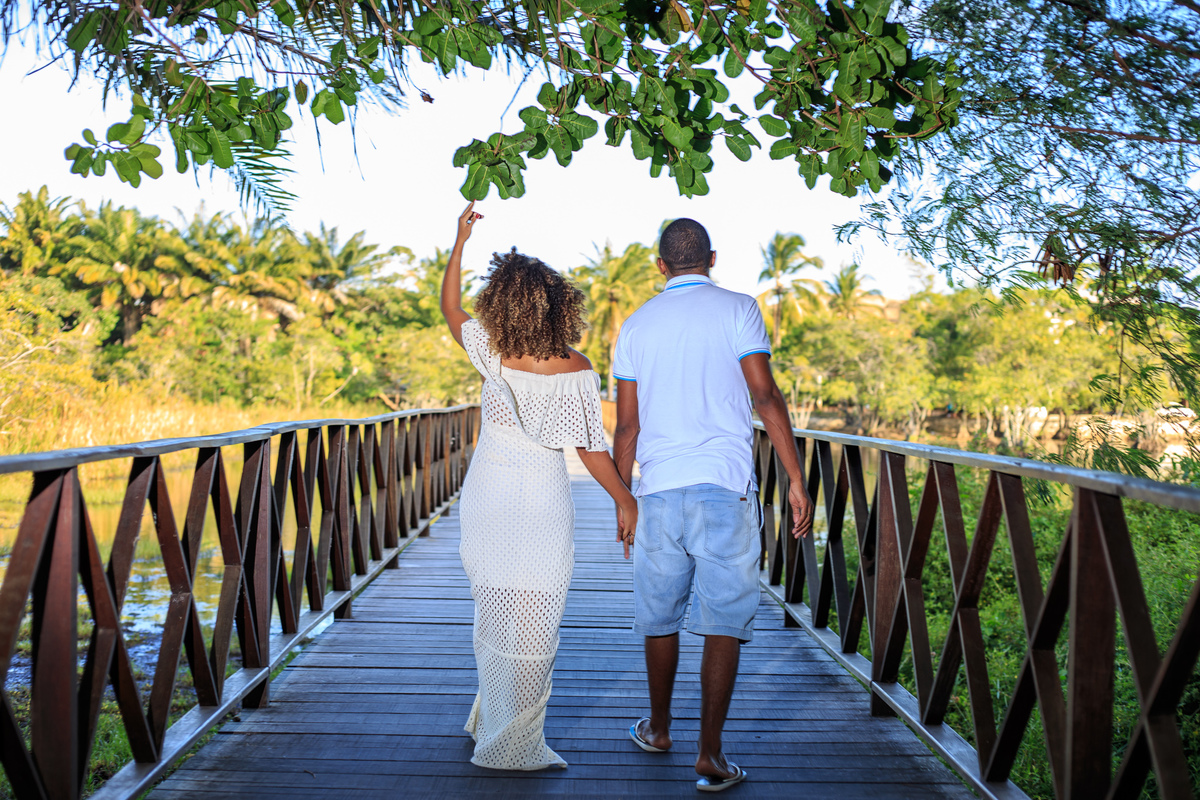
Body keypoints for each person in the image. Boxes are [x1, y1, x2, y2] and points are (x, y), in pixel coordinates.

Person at [611, 218, 815, 792]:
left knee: (660, 614)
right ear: (712, 258)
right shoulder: (739, 309)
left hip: (658, 488)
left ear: (660, 265)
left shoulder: (635, 325)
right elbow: (764, 394)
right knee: (723, 619)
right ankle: (710, 754)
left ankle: (657, 729)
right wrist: (795, 479)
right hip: (724, 486)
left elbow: (627, 427)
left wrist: (625, 499)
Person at [440, 202, 639, 771]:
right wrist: (625, 498)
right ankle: (511, 737)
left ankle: (495, 720)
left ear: (499, 301)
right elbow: (589, 447)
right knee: (538, 613)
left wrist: (460, 241)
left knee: (495, 607)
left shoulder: (488, 349)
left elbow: (449, 305)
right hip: (545, 499)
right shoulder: (578, 368)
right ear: (557, 305)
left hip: (489, 495)